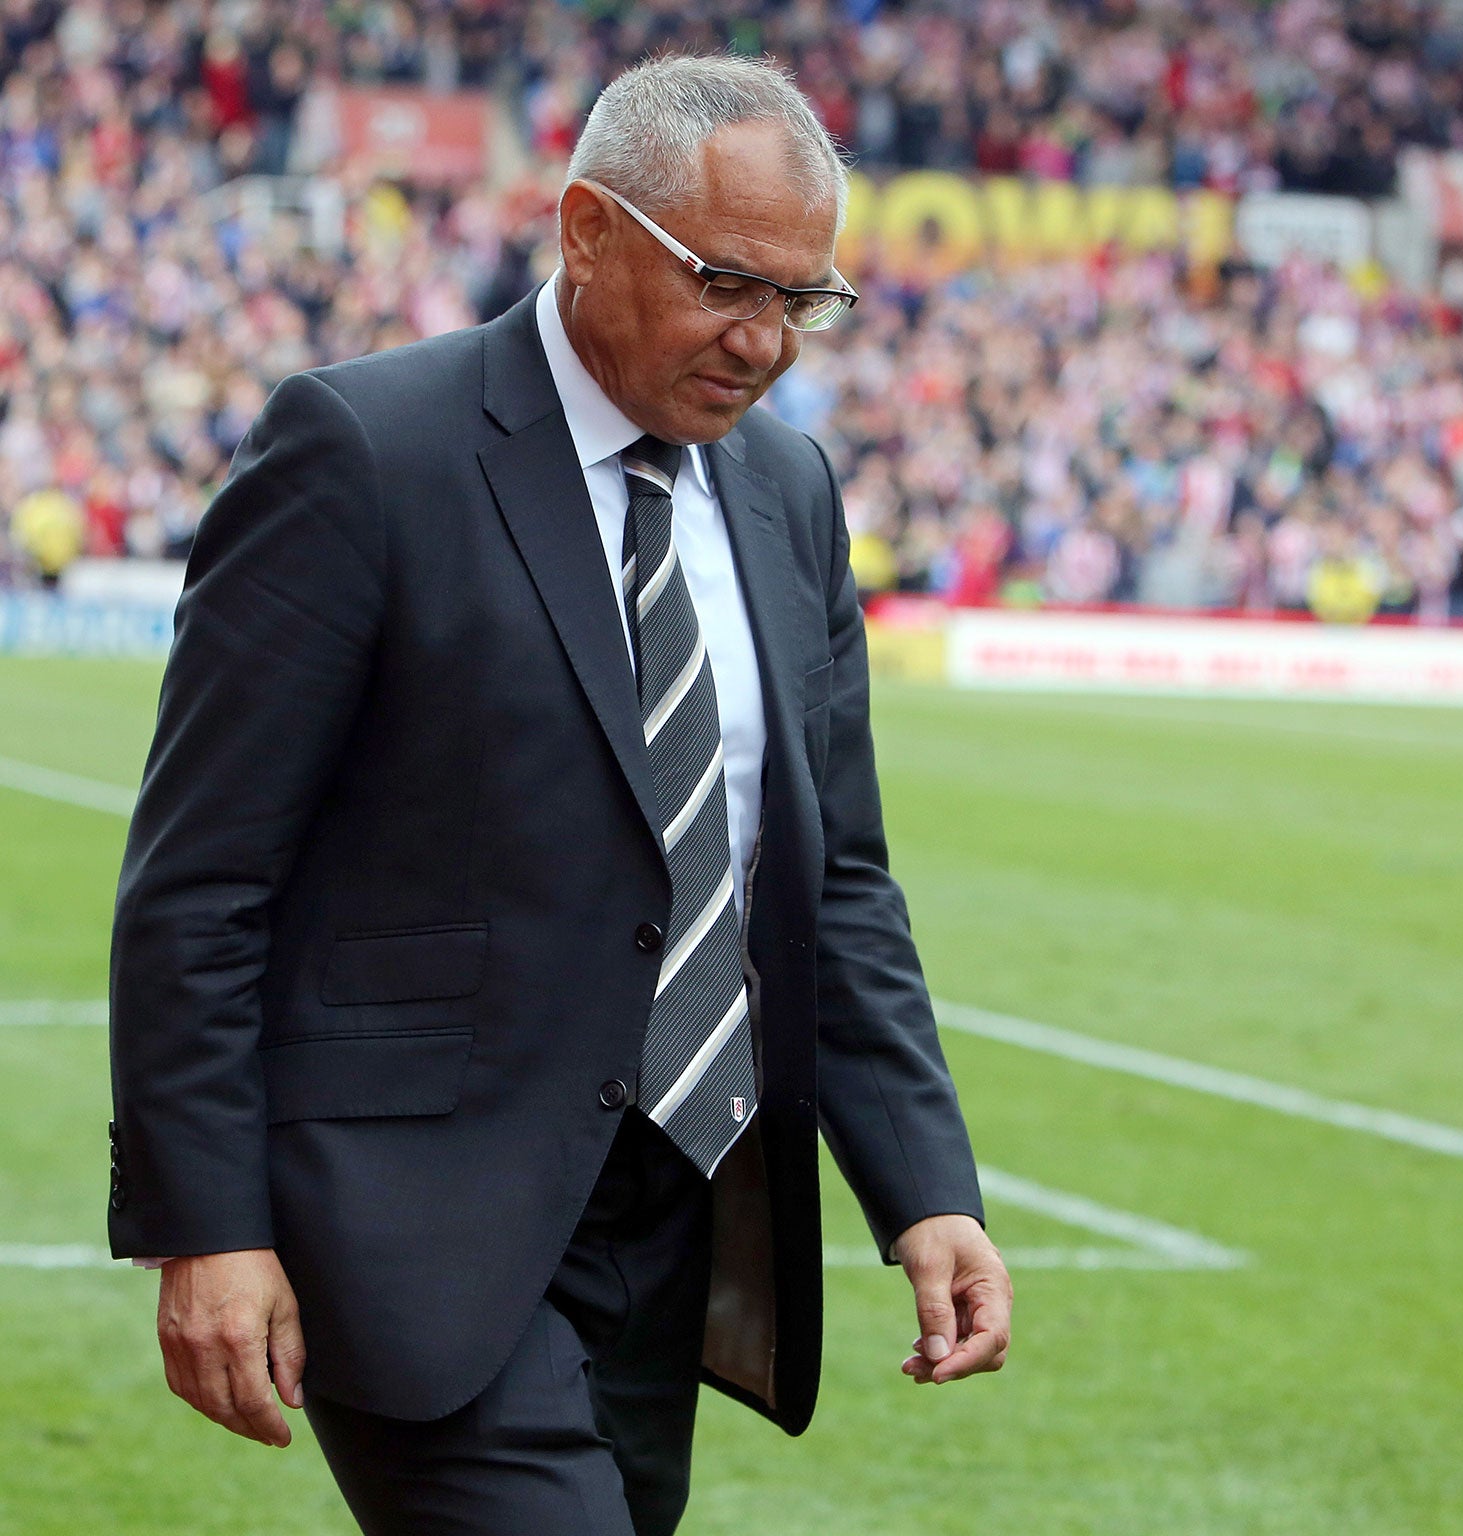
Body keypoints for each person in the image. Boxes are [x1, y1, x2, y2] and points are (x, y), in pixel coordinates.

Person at [106, 54, 1012, 1535]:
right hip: (412, 1226)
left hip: (679, 1223)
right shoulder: (363, 452)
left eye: (805, 299)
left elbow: (831, 881)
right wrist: (203, 1226)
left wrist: (926, 1189)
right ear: (586, 228)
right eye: (729, 283)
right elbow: (202, 882)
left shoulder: (787, 493)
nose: (767, 340)